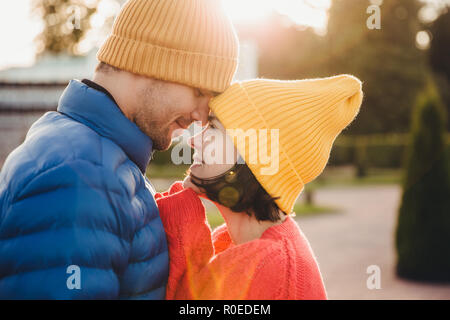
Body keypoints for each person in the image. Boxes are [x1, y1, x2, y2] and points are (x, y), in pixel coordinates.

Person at [0, 0, 238, 299]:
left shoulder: (102, 160)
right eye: (200, 92)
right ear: (153, 62)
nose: (201, 116)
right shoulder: (80, 173)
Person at [155, 75, 363, 299]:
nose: (193, 141)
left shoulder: (271, 268)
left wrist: (181, 225)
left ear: (257, 159)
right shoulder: (242, 246)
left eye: (213, 128)